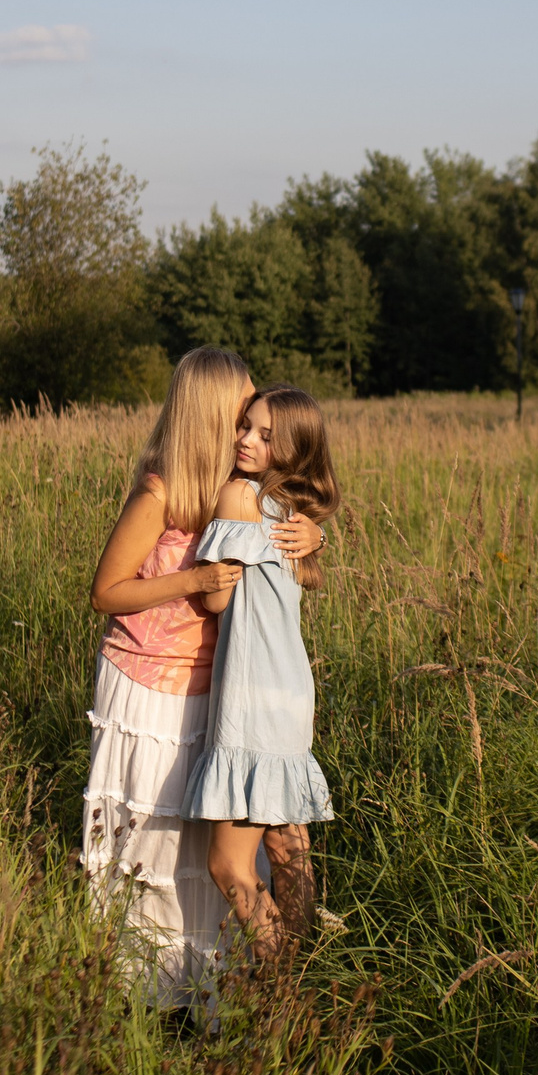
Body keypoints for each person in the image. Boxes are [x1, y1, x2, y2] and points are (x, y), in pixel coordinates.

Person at [83, 350, 321, 1007]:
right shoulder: (162, 490)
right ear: (213, 413)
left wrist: (313, 535)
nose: (248, 427)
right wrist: (190, 578)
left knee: (208, 852)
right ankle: (156, 989)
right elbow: (106, 591)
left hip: (217, 688)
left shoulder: (245, 489)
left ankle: (236, 987)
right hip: (149, 684)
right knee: (158, 841)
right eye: (241, 413)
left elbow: (290, 539)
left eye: (258, 420)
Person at [186, 385, 340, 959]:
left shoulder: (238, 496)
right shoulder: (295, 510)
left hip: (250, 690)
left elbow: (217, 603)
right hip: (291, 691)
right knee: (284, 843)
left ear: (291, 446)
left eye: (265, 435)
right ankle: (307, 978)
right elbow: (306, 576)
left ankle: (281, 998)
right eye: (245, 426)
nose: (246, 440)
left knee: (229, 865)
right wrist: (319, 536)